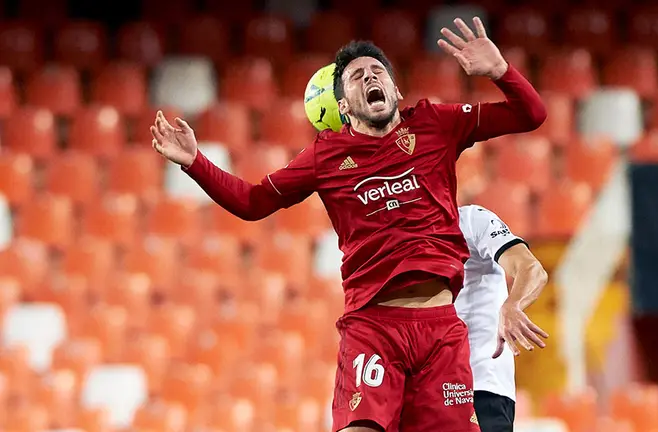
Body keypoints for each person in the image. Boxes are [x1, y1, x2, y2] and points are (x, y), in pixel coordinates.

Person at [150, 16, 546, 432]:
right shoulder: (326, 155)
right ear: (342, 106)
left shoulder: (436, 124)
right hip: (374, 327)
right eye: (357, 76)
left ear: (394, 89)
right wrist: (196, 163)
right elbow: (252, 202)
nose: (370, 77)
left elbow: (531, 115)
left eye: (378, 72)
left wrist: (501, 72)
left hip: (442, 331)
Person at [455, 204, 549, 431]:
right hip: (424, 388)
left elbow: (531, 269)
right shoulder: (398, 234)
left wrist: (513, 305)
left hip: (481, 384)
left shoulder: (471, 220)